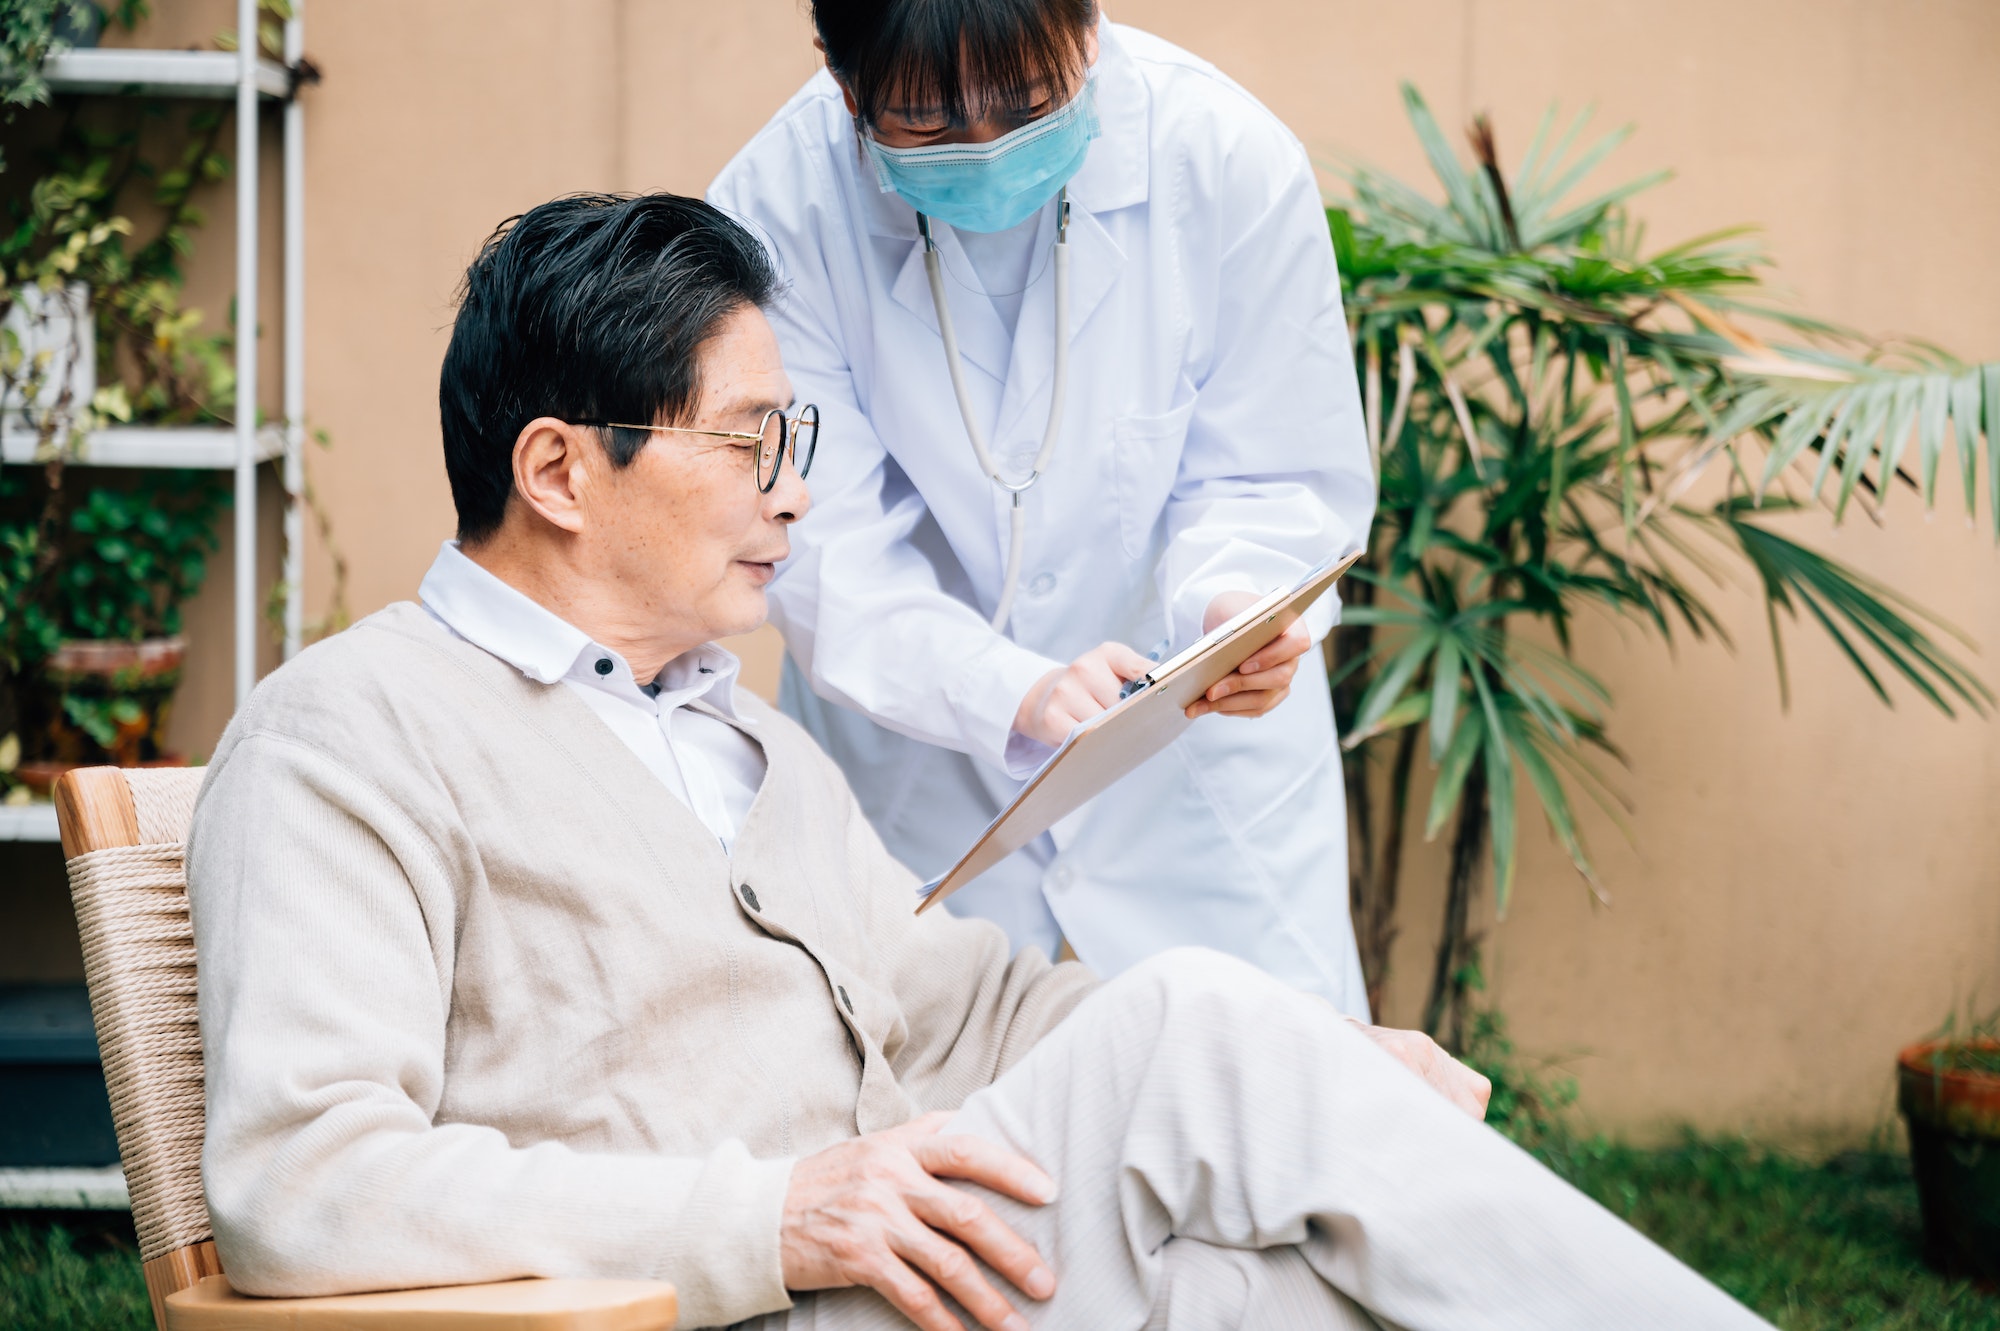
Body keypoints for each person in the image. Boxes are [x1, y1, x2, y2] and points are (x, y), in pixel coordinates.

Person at [186, 194, 1771, 1331]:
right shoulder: (349, 733)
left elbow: (978, 1002)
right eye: (752, 443)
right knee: (1199, 1022)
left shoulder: (743, 735)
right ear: (558, 470)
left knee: (1277, 1285)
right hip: (710, 1299)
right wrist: (772, 1213)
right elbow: (303, 1175)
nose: (794, 499)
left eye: (792, 443)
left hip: (920, 1277)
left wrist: (1324, 1065)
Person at [707, 1, 1376, 1013]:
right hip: (918, 756)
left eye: (1028, 102)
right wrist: (1001, 690)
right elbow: (817, 533)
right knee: (932, 1109)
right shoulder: (774, 207)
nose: (987, 146)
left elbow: (1273, 471)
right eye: (928, 125)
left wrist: (1232, 610)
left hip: (1191, 761)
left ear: (1087, 29)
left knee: (1258, 1096)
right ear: (844, 86)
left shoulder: (1224, 157)